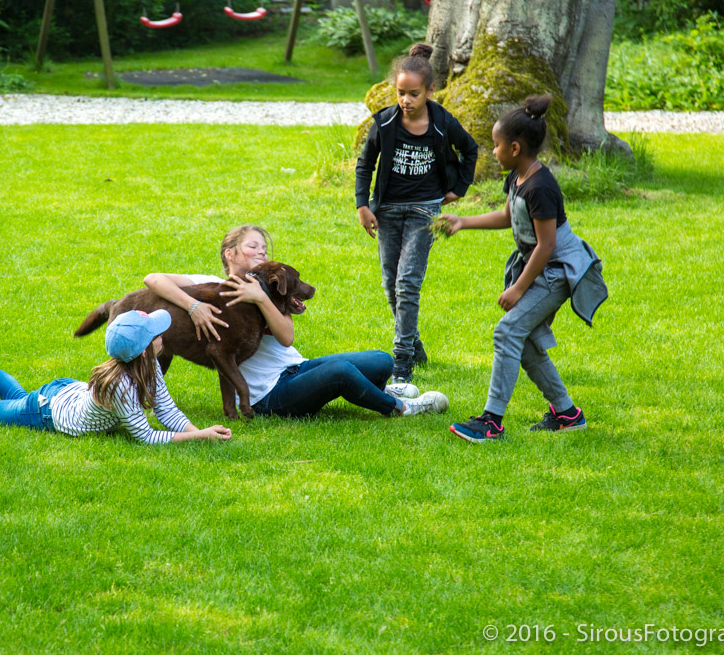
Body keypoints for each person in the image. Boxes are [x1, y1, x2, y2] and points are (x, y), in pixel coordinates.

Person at [141, 224, 450, 419]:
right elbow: (153, 279)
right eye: (252, 247)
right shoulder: (210, 286)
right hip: (269, 393)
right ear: (230, 254)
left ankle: (379, 391)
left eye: (264, 249)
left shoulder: (273, 287)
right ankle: (402, 408)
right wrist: (194, 306)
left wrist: (260, 297)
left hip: (298, 368)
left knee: (382, 360)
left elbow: (286, 337)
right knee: (341, 372)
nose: (261, 253)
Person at [436, 95, 608, 443]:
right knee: (524, 341)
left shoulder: (541, 187)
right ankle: (567, 414)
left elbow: (546, 246)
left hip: (558, 271)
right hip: (542, 266)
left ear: (515, 148)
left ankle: (491, 422)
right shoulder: (517, 176)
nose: (493, 152)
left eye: (496, 145)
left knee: (507, 332)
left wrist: (518, 289)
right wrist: (463, 221)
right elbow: (508, 216)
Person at [0, 310, 232, 444]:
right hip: (47, 412)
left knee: (15, 396)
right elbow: (146, 437)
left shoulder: (146, 367)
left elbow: (165, 410)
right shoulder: (122, 386)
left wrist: (199, 429)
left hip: (62, 393)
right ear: (144, 349)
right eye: (156, 334)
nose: (164, 335)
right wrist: (197, 437)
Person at [355, 42, 479, 385]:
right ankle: (413, 341)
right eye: (400, 93)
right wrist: (363, 205)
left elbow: (470, 149)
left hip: (425, 209)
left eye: (413, 94)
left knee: (407, 283)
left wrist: (459, 188)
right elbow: (365, 164)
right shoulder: (385, 122)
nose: (406, 101)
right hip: (388, 210)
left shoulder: (442, 122)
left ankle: (403, 360)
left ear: (430, 91)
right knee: (390, 285)